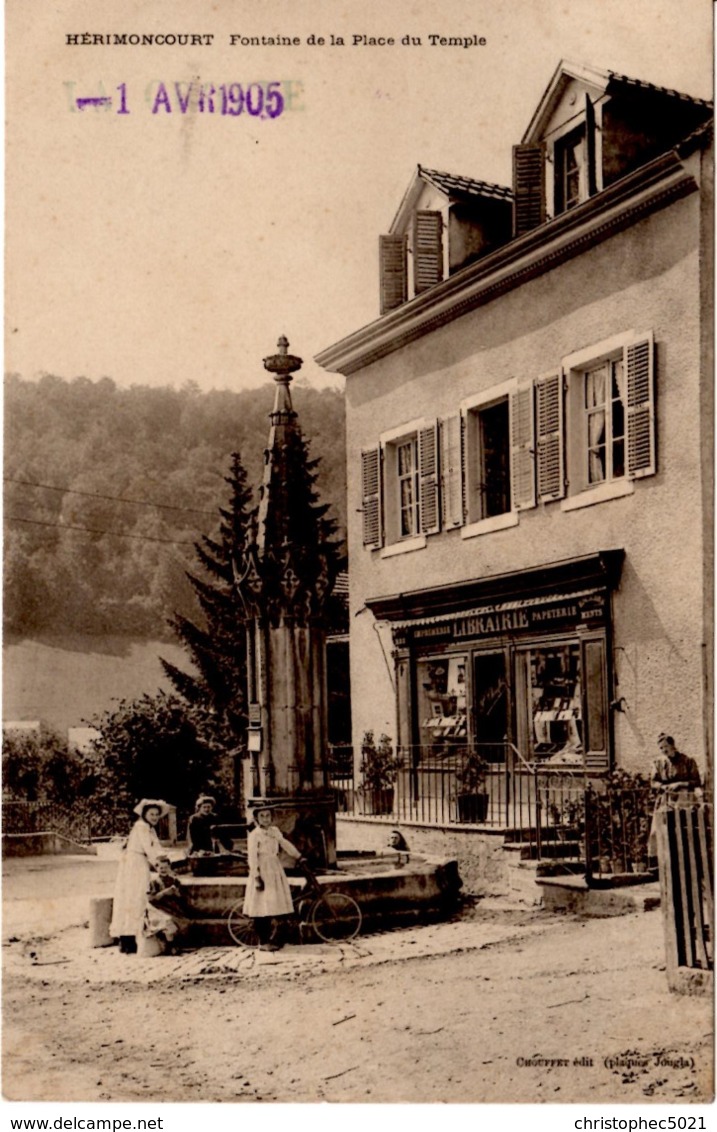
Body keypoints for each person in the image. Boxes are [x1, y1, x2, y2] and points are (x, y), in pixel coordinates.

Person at [110, 799, 169, 954]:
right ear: (144, 814)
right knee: (135, 897)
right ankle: (128, 939)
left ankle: (131, 938)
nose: (155, 817)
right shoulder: (141, 826)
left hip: (139, 862)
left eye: (157, 814)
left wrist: (164, 858)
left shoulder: (149, 828)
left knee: (136, 898)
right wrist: (161, 863)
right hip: (134, 864)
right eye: (151, 814)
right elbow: (149, 849)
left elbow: (156, 846)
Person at [243, 806, 304, 951]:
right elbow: (252, 858)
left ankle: (274, 939)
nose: (265, 819)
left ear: (272, 817)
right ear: (257, 819)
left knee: (276, 904)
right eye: (262, 816)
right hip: (262, 871)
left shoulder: (275, 831)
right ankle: (263, 942)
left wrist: (298, 856)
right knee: (261, 907)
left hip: (275, 869)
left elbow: (284, 844)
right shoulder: (254, 835)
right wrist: (257, 877)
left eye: (268, 816)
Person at [648, 734, 702, 865]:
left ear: (672, 745)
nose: (663, 750)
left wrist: (680, 784)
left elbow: (696, 781)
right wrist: (663, 786)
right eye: (661, 748)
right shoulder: (659, 763)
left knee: (683, 829)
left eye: (665, 747)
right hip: (666, 799)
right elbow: (653, 782)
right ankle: (663, 862)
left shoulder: (687, 761)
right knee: (660, 830)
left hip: (684, 799)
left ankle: (687, 861)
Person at [144, 855, 190, 953]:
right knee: (167, 921)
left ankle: (175, 943)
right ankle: (171, 946)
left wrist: (176, 893)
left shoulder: (174, 881)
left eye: (166, 867)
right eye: (161, 867)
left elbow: (182, 897)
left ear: (169, 867)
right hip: (159, 909)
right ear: (157, 868)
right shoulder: (153, 882)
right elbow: (150, 899)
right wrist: (164, 893)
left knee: (181, 922)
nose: (163, 870)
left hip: (172, 908)